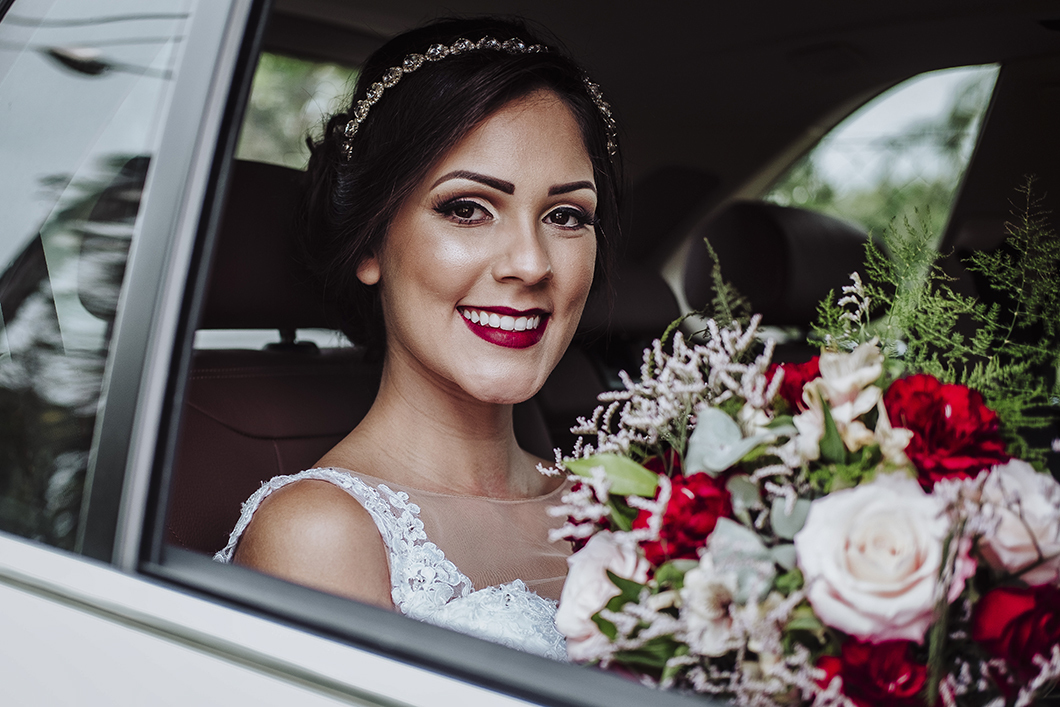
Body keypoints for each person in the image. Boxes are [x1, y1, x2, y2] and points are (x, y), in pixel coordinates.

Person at [214, 17, 623, 661]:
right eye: (467, 208)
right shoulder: (320, 537)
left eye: (566, 216)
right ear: (371, 241)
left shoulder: (621, 506)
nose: (531, 263)